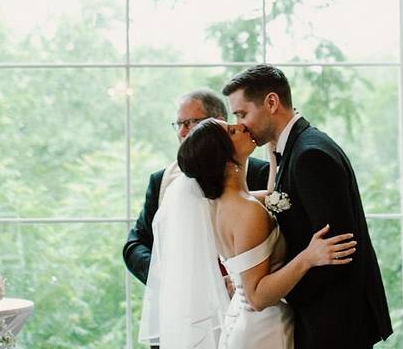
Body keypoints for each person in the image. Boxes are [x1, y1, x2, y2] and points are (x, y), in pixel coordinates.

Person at [139, 118, 355, 348]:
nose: (241, 126)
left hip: (245, 321)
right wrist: (308, 257)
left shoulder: (225, 203)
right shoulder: (246, 211)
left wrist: (274, 151)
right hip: (262, 328)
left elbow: (272, 196)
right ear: (224, 157)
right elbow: (257, 296)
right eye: (232, 131)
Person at [222, 65, 392, 349]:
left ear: (272, 102)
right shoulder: (293, 149)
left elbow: (337, 252)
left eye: (242, 113)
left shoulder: (310, 155)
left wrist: (279, 293)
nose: (240, 124)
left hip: (335, 322)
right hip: (322, 316)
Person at [123, 89, 269, 285]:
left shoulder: (260, 174)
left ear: (216, 122)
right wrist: (171, 281)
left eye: (189, 123)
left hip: (247, 296)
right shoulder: (162, 181)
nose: (182, 132)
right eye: (178, 124)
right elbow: (135, 244)